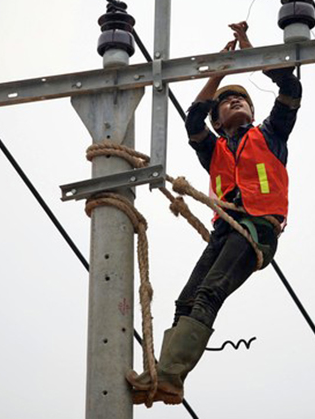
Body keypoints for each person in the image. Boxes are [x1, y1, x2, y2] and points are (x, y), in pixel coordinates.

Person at [126, 21, 301, 405]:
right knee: (185, 301)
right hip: (228, 230)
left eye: (242, 100)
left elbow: (291, 90)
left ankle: (170, 375)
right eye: (226, 101)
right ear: (218, 121)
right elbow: (193, 119)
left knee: (209, 293)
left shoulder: (270, 135)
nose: (236, 101)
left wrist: (251, 53)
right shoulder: (215, 150)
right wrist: (220, 70)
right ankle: (164, 376)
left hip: (257, 228)